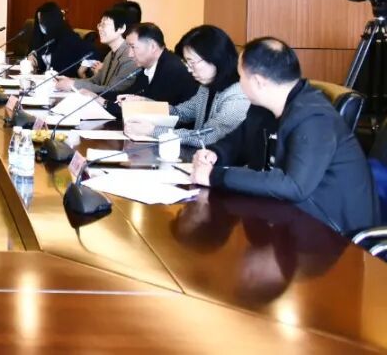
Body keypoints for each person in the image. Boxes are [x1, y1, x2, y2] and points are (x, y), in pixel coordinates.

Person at [191, 37, 380, 236]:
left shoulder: (314, 117)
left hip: (334, 234)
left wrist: (216, 176)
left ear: (258, 82)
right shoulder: (264, 107)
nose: (239, 82)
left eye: (241, 76)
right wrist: (215, 154)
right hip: (288, 216)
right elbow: (239, 140)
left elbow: (294, 186)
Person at [124, 25, 250, 147]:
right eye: (187, 63)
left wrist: (153, 131)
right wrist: (146, 103)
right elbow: (180, 113)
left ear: (214, 57)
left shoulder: (237, 95)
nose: (189, 70)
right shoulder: (206, 88)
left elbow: (207, 137)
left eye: (192, 63)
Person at [56, 7, 136, 94]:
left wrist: (73, 84)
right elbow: (95, 81)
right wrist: (70, 81)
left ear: (121, 28)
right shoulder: (110, 54)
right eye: (100, 24)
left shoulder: (130, 56)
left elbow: (113, 90)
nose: (99, 28)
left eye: (104, 25)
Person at [115, 22, 198, 106]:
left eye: (132, 47)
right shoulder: (148, 67)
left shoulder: (172, 70)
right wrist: (107, 101)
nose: (130, 54)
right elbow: (130, 93)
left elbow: (156, 108)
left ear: (152, 46)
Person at [26, 2, 94, 74]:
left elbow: (92, 52)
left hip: (63, 78)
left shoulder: (68, 36)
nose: (40, 25)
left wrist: (83, 68)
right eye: (38, 21)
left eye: (42, 21)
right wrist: (32, 55)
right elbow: (36, 51)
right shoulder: (41, 36)